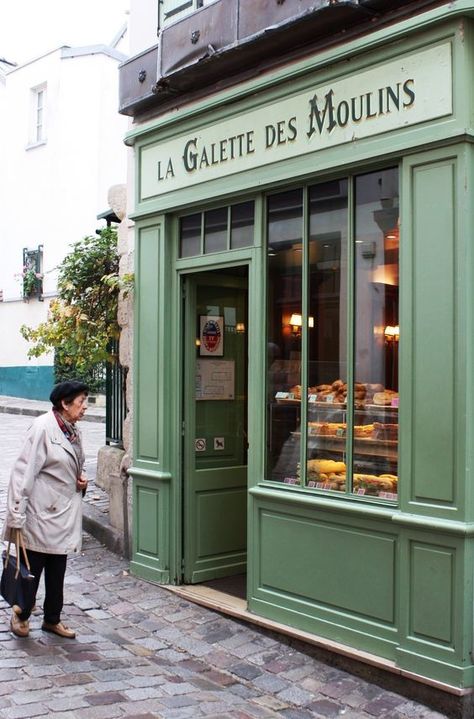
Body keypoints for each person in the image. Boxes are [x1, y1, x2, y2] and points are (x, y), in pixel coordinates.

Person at [2, 380, 89, 638]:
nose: (85, 406)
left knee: (57, 570)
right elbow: (22, 474)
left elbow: (70, 465)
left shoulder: (73, 431)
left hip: (61, 514)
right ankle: (21, 614)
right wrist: (16, 515)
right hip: (39, 513)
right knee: (31, 569)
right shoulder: (42, 428)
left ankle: (52, 618)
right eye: (81, 401)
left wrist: (79, 480)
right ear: (64, 403)